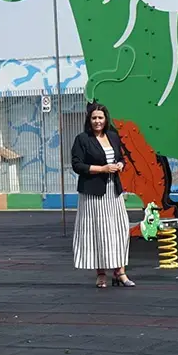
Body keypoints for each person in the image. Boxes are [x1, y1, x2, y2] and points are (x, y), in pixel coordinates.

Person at [71, 102, 135, 288]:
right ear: (89, 120)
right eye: (94, 118)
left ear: (106, 119)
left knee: (119, 230)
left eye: (100, 117)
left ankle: (120, 272)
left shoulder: (113, 137)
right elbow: (77, 165)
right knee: (99, 232)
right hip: (93, 193)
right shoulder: (82, 139)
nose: (97, 121)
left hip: (113, 192)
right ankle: (101, 274)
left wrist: (120, 165)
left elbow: (121, 157)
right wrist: (102, 169)